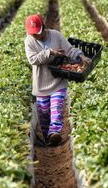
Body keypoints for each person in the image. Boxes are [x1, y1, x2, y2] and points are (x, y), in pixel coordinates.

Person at [24, 14, 91, 146]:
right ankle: (47, 137)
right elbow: (33, 59)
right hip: (41, 84)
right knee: (43, 114)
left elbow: (69, 49)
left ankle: (54, 133)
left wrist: (81, 56)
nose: (36, 36)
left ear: (43, 27)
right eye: (33, 34)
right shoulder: (29, 41)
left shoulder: (56, 35)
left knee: (56, 108)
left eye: (38, 33)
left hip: (58, 82)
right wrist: (50, 52)